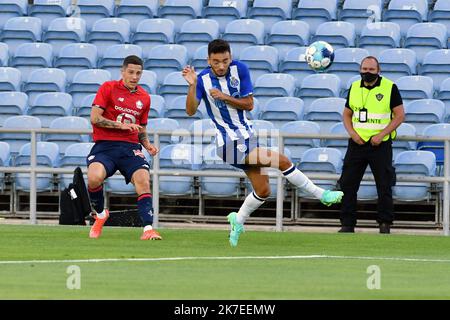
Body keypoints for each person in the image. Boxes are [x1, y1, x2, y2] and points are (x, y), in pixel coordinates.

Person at [182, 39, 344, 247]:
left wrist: (223, 96)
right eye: (216, 62)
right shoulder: (202, 79)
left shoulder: (239, 70)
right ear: (208, 60)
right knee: (283, 161)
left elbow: (248, 104)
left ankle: (237, 220)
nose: (221, 66)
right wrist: (193, 84)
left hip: (248, 137)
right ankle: (321, 194)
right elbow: (190, 110)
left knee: (263, 190)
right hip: (229, 144)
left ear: (230, 57)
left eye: (225, 60)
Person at [86, 55, 162, 240]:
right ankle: (101, 215)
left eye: (138, 73)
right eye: (131, 72)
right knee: (94, 178)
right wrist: (121, 126)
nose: (134, 76)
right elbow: (95, 118)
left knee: (143, 180)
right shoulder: (108, 87)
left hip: (130, 147)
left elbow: (141, 127)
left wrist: (147, 144)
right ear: (123, 72)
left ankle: (148, 229)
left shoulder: (144, 97)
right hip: (105, 145)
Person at [338, 56, 405, 234]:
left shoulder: (390, 87)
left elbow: (399, 115)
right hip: (357, 143)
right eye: (364, 69)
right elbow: (346, 114)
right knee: (347, 184)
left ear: (378, 70)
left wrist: (381, 134)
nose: (367, 73)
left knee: (384, 185)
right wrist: (353, 134)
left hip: (380, 144)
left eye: (371, 70)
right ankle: (347, 224)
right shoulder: (353, 87)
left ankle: (385, 223)